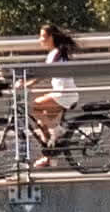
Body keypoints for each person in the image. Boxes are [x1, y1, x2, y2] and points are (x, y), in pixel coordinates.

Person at [30, 23, 80, 168]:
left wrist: (27, 83)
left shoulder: (56, 53)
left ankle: (58, 131)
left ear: (52, 37)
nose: (40, 40)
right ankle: (49, 158)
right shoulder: (54, 53)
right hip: (61, 93)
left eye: (43, 36)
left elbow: (44, 73)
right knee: (41, 124)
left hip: (64, 94)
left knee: (36, 105)